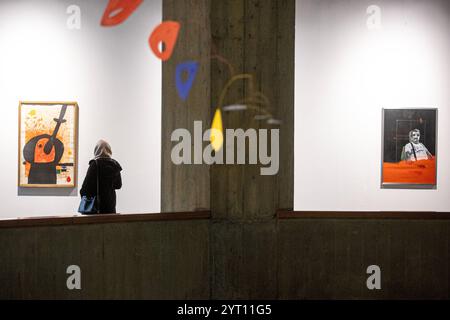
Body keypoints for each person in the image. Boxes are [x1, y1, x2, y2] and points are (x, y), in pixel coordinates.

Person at [80, 140, 122, 214]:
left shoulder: (95, 164)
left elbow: (86, 187)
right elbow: (118, 185)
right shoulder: (115, 164)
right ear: (109, 150)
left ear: (97, 150)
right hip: (110, 206)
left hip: (95, 207)